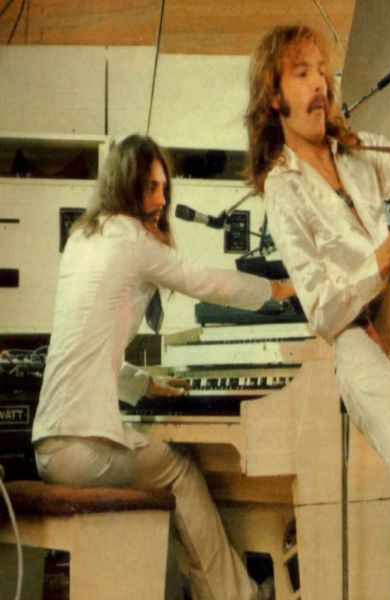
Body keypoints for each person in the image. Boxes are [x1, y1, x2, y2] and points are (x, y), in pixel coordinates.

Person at [245, 25, 390, 600]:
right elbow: (320, 309)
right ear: (274, 96)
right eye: (302, 74)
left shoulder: (359, 150)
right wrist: (380, 260)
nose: (320, 84)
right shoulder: (282, 187)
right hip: (359, 349)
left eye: (322, 71)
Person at [31, 134, 294, 600]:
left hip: (49, 445)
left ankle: (204, 587)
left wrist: (144, 384)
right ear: (126, 186)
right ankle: (239, 595)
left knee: (165, 460)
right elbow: (204, 282)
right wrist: (274, 290)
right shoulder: (131, 238)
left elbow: (86, 348)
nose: (161, 201)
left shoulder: (84, 238)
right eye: (151, 188)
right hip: (80, 450)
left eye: (164, 189)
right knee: (180, 469)